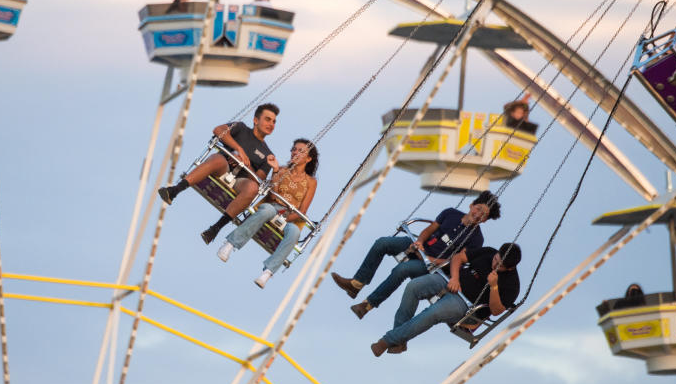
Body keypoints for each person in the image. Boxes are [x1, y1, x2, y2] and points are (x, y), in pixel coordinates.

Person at [331, 192, 500, 319]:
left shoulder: (477, 239)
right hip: (420, 247)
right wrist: (419, 242)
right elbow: (429, 230)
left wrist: (431, 260)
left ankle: (367, 305)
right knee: (382, 243)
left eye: (483, 215)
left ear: (485, 220)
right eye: (478, 209)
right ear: (471, 205)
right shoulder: (450, 213)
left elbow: (456, 261)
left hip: (432, 265)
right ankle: (357, 283)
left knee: (401, 270)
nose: (478, 215)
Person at [369, 242, 522, 357]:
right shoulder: (489, 252)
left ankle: (387, 340)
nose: (494, 264)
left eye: (499, 265)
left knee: (433, 312)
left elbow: (496, 311)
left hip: (466, 305)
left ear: (510, 268)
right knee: (413, 286)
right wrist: (454, 278)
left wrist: (494, 286)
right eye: (496, 259)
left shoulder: (512, 284)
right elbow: (458, 258)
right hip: (451, 282)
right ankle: (400, 340)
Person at [158, 103, 279, 243]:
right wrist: (238, 150)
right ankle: (174, 190)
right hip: (222, 167)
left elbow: (257, 179)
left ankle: (215, 229)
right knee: (217, 159)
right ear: (256, 120)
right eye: (267, 119)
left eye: (274, 121)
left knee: (253, 188)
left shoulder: (268, 154)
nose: (271, 124)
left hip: (240, 181)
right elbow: (218, 130)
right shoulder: (241, 128)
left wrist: (244, 163)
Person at [217, 138, 318, 288]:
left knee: (295, 233)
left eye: (300, 151)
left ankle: (268, 272)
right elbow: (271, 194)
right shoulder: (282, 170)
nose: (295, 152)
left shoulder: (311, 182)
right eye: (294, 149)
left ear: (308, 159)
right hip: (273, 206)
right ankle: (231, 244)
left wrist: (286, 218)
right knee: (268, 210)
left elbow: (302, 210)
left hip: (291, 216)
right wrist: (276, 171)